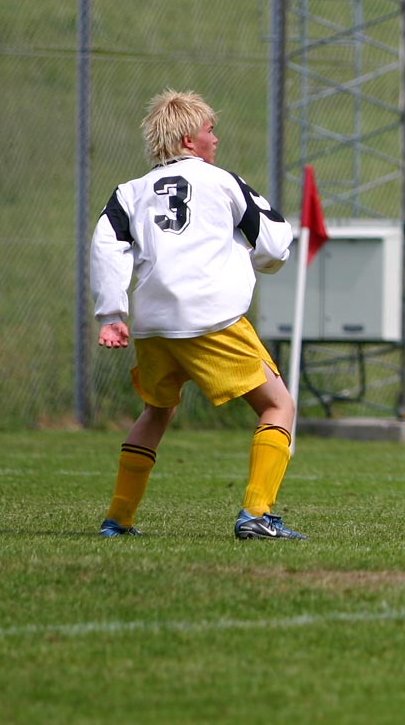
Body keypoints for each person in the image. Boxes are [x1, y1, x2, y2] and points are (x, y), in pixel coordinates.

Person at [91, 89, 305, 540]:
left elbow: (106, 246)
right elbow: (273, 241)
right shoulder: (222, 181)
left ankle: (118, 519)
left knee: (157, 411)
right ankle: (257, 515)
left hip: (154, 326)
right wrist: (261, 263)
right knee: (277, 404)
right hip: (212, 321)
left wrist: (112, 312)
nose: (216, 138)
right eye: (210, 130)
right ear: (189, 140)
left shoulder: (128, 193)